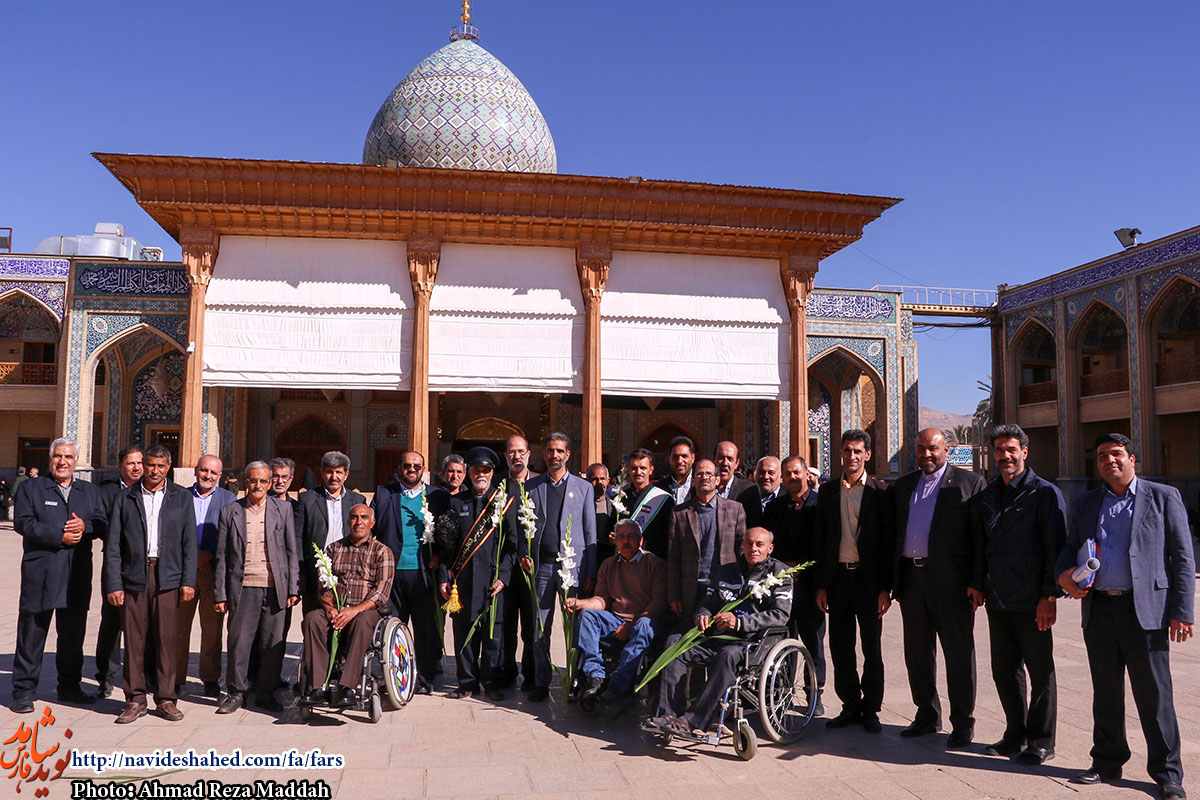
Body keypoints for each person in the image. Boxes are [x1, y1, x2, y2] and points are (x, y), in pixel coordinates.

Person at [1056, 433, 1194, 800]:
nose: (1109, 461)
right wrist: (1063, 575)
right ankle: (1106, 761)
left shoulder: (1163, 497)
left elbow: (1183, 557)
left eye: (1116, 454)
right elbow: (1069, 547)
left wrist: (1182, 611)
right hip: (1100, 609)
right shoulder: (1086, 503)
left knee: (1154, 696)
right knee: (1105, 692)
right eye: (1102, 456)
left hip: (1145, 612)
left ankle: (1167, 774)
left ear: (1132, 459)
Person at [972, 424, 1065, 764]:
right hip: (998, 600)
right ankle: (1015, 734)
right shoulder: (989, 494)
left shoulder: (1045, 494)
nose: (1005, 456)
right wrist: (978, 583)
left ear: (1024, 452)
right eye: (999, 450)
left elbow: (1056, 549)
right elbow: (981, 545)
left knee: (1040, 672)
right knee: (1005, 670)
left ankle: (1041, 741)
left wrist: (1049, 597)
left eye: (1011, 449)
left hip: (1033, 602)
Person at [889, 427, 986, 748]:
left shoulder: (969, 484)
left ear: (947, 449)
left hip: (952, 584)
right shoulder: (904, 486)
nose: (926, 454)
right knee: (918, 653)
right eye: (920, 448)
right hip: (912, 580)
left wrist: (976, 582)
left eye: (932, 448)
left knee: (958, 653)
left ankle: (963, 721)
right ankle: (927, 714)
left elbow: (979, 539)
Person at [654, 526, 793, 736]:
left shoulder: (780, 574)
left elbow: (780, 615)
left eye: (759, 544)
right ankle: (668, 715)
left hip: (751, 643)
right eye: (749, 543)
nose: (753, 548)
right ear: (743, 545)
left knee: (728, 656)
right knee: (675, 643)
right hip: (717, 635)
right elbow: (709, 601)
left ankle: (691, 721)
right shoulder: (726, 571)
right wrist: (703, 614)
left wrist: (740, 623)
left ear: (770, 548)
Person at [11, 438, 106, 713]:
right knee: (32, 633)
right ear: (50, 458)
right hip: (41, 572)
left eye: (68, 457)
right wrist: (58, 535)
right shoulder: (32, 488)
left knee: (72, 635)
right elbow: (23, 522)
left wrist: (85, 526)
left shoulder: (89, 491)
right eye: (58, 456)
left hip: (76, 574)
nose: (62, 462)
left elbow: (102, 523)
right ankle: (23, 691)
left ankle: (69, 686)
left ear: (76, 461)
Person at [104, 444, 197, 723]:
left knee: (166, 639)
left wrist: (188, 580)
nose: (155, 471)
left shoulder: (181, 497)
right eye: (150, 465)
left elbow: (189, 543)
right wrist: (114, 583)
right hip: (134, 576)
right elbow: (113, 545)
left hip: (167, 576)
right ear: (143, 465)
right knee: (134, 639)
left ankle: (166, 698)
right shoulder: (126, 497)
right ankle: (135, 699)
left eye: (160, 466)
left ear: (169, 467)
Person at [815, 429, 892, 734]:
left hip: (868, 582)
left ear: (867, 455)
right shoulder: (828, 492)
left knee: (872, 648)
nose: (852, 456)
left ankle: (871, 708)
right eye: (847, 450)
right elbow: (822, 539)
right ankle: (850, 704)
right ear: (840, 453)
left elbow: (887, 542)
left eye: (858, 451)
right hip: (838, 581)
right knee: (841, 646)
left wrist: (885, 588)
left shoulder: (881, 492)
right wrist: (822, 585)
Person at [213, 462, 299, 714]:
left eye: (262, 481)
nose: (258, 485)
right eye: (253, 480)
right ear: (245, 482)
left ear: (270, 483)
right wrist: (220, 593)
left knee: (272, 644)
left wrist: (292, 588)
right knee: (239, 642)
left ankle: (265, 693)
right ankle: (237, 692)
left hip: (274, 587)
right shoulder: (230, 511)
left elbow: (291, 551)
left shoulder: (283, 509)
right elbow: (222, 556)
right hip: (243, 587)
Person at [522, 432, 597, 701]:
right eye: (550, 450)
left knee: (573, 628)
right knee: (540, 627)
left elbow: (590, 533)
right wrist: (524, 554)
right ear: (544, 453)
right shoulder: (532, 487)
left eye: (560, 451)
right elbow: (522, 527)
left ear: (568, 454)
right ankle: (541, 681)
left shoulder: (583, 488)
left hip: (571, 569)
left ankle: (574, 679)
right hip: (542, 567)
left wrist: (590, 573)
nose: (555, 455)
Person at [438, 447, 518, 700]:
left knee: (493, 635)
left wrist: (504, 576)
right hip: (463, 581)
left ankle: (491, 682)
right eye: (476, 470)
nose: (480, 474)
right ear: (469, 473)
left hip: (493, 581)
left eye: (485, 470)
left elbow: (512, 546)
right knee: (463, 631)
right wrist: (443, 577)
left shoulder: (503, 503)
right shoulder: (456, 502)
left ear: (492, 473)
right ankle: (467, 682)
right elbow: (446, 545)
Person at [372, 450, 450, 694]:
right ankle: (395, 676)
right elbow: (371, 528)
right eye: (407, 465)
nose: (412, 469)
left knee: (426, 628)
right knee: (393, 627)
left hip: (423, 573)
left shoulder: (437, 496)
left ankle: (425, 676)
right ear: (399, 468)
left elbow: (447, 534)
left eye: (417, 466)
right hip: (392, 574)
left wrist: (440, 560)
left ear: (423, 469)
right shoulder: (384, 494)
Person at [301, 504, 394, 708]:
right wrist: (330, 609)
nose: (358, 522)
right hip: (336, 609)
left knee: (362, 622)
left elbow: (381, 593)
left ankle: (348, 687)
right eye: (354, 517)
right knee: (313, 619)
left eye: (364, 517)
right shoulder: (333, 549)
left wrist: (353, 611)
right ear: (347, 521)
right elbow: (324, 586)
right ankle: (318, 688)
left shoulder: (382, 551)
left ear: (372, 522)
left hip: (365, 610)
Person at [569, 519, 668, 706]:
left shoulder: (655, 564)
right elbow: (602, 599)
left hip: (644, 620)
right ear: (615, 541)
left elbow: (659, 602)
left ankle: (617, 684)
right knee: (587, 616)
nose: (626, 541)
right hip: (615, 620)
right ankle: (595, 675)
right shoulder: (609, 565)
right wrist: (581, 603)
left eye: (630, 537)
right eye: (621, 537)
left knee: (644, 626)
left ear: (640, 540)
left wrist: (631, 626)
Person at [762, 454, 825, 714]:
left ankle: (815, 694)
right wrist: (783, 568)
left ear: (806, 474)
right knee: (782, 641)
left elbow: (825, 544)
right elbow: (769, 545)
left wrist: (804, 569)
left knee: (814, 643)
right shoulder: (775, 508)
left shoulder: (820, 505)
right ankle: (782, 693)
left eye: (796, 472)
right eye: (787, 474)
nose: (792, 477)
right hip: (783, 588)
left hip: (810, 587)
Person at [176, 454, 236, 697]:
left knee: (212, 630)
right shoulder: (179, 497)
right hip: (184, 572)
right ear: (195, 470)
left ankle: (210, 677)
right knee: (178, 628)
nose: (207, 476)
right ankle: (175, 677)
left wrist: (207, 555)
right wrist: (193, 557)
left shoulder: (229, 499)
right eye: (204, 470)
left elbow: (229, 535)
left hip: (213, 573)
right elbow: (172, 531)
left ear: (220, 476)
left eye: (213, 472)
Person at [666, 458, 747, 622]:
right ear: (693, 480)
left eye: (709, 473)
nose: (704, 477)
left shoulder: (735, 509)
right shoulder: (680, 513)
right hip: (692, 588)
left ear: (717, 479)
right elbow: (674, 557)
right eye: (699, 474)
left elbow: (742, 550)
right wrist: (674, 595)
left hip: (724, 587)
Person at [95, 445, 144, 698]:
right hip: (116, 563)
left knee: (144, 623)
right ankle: (106, 675)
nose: (136, 467)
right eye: (130, 463)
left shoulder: (150, 490)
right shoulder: (106, 492)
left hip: (144, 565)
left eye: (140, 463)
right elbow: (100, 523)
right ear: (120, 465)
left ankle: (143, 674)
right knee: (112, 622)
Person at [296, 451, 365, 613]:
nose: (334, 477)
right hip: (315, 571)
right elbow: (298, 537)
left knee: (345, 618)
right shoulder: (307, 499)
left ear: (346, 474)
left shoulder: (357, 501)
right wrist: (301, 571)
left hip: (348, 570)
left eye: (338, 472)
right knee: (315, 618)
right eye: (329, 472)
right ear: (322, 473)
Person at [499, 433, 538, 687]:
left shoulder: (540, 484)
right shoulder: (498, 486)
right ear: (506, 456)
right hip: (504, 569)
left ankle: (532, 675)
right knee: (506, 625)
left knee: (532, 627)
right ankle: (506, 672)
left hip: (532, 569)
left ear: (528, 454)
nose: (516, 456)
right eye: (512, 452)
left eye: (521, 452)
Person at [616, 448, 673, 559]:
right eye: (634, 468)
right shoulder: (620, 497)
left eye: (643, 468)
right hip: (624, 561)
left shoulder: (663, 499)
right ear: (629, 470)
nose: (638, 472)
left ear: (651, 470)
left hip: (652, 562)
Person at [737, 455, 782, 528]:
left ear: (781, 477)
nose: (766, 477)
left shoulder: (788, 500)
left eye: (771, 473)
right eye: (762, 472)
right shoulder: (745, 498)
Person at [586, 462, 617, 563]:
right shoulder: (581, 504)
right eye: (594, 479)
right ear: (587, 481)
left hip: (608, 558)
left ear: (608, 481)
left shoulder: (616, 505)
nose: (599, 483)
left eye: (602, 479)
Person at [656, 435, 696, 505]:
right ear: (669, 458)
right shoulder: (660, 487)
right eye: (675, 457)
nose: (679, 461)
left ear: (693, 458)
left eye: (684, 456)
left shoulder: (700, 484)